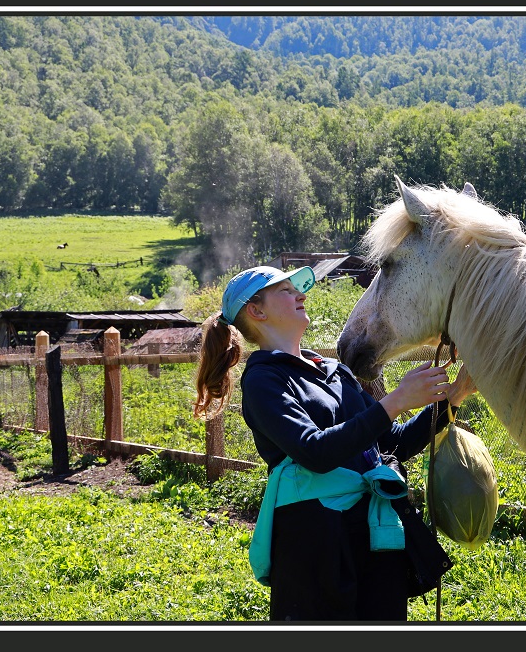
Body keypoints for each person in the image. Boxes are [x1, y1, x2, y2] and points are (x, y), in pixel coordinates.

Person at [193, 265, 477, 622]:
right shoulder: (264, 380)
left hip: (375, 533)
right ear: (257, 311)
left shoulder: (335, 371)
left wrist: (453, 396)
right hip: (316, 541)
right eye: (286, 290)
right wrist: (396, 401)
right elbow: (315, 451)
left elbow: (394, 443)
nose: (301, 295)